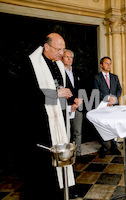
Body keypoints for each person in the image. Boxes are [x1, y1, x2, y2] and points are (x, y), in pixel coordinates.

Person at [19, 33, 75, 199]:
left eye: (63, 49)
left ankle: (63, 188)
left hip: (59, 116)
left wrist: (72, 99)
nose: (61, 53)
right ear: (47, 47)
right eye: (58, 49)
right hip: (40, 122)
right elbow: (25, 95)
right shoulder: (30, 63)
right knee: (43, 164)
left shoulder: (57, 64)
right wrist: (54, 94)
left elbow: (64, 87)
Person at [94, 56, 122, 158]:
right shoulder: (96, 77)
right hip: (102, 105)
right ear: (101, 65)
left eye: (110, 63)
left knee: (114, 124)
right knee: (103, 125)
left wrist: (114, 98)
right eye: (106, 63)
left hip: (114, 105)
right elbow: (96, 91)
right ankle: (104, 146)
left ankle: (114, 146)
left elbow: (119, 89)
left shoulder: (115, 77)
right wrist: (107, 99)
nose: (108, 65)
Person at [62, 49, 83, 157]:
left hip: (77, 107)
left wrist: (77, 102)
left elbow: (81, 88)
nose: (69, 59)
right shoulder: (58, 72)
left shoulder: (77, 72)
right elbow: (59, 89)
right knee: (65, 134)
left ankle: (77, 155)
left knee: (77, 133)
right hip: (64, 107)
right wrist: (72, 101)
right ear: (62, 58)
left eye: (71, 57)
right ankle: (66, 156)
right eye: (67, 57)